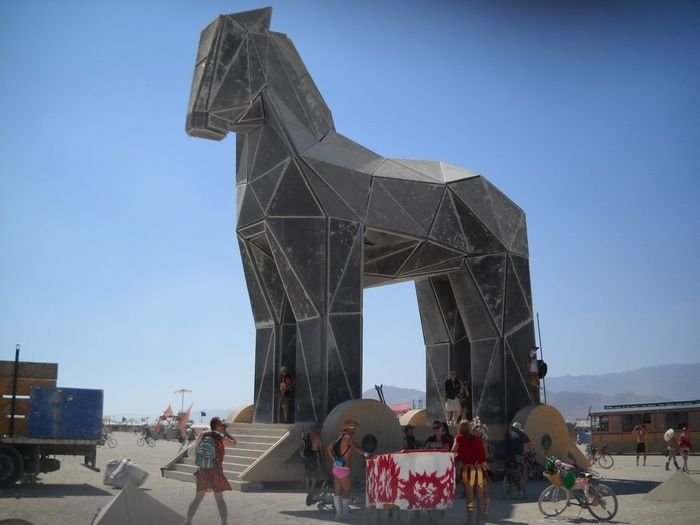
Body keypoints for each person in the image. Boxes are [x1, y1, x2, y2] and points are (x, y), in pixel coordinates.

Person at [184, 416, 237, 525]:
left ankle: (188, 521)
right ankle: (224, 523)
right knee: (220, 500)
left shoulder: (203, 435)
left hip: (203, 470)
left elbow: (195, 447)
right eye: (221, 424)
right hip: (216, 472)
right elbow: (234, 443)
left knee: (197, 498)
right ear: (218, 426)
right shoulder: (221, 438)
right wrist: (225, 432)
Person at [327, 419, 370, 521]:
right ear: (349, 428)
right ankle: (345, 514)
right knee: (347, 491)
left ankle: (339, 515)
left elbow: (328, 448)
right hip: (344, 469)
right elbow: (356, 447)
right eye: (354, 427)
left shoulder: (339, 437)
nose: (355, 429)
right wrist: (366, 453)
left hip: (336, 467)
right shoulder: (348, 438)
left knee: (337, 491)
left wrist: (334, 459)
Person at [451, 419, 487, 517]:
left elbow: (453, 451)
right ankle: (479, 517)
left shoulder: (459, 438)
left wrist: (459, 454)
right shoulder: (477, 439)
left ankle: (470, 519)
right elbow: (483, 455)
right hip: (479, 469)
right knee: (480, 496)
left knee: (469, 497)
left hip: (467, 470)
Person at [505, 421, 534, 499]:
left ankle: (509, 482)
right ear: (519, 429)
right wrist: (532, 452)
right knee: (521, 473)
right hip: (518, 457)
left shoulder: (508, 434)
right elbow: (530, 445)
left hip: (508, 456)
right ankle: (520, 492)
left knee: (510, 469)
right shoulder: (523, 435)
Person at [304, 424, 323, 491]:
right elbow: (320, 449)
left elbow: (303, 444)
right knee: (314, 473)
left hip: (307, 455)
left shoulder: (307, 436)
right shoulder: (318, 438)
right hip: (314, 455)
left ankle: (307, 487)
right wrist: (322, 458)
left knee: (307, 473)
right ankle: (312, 488)